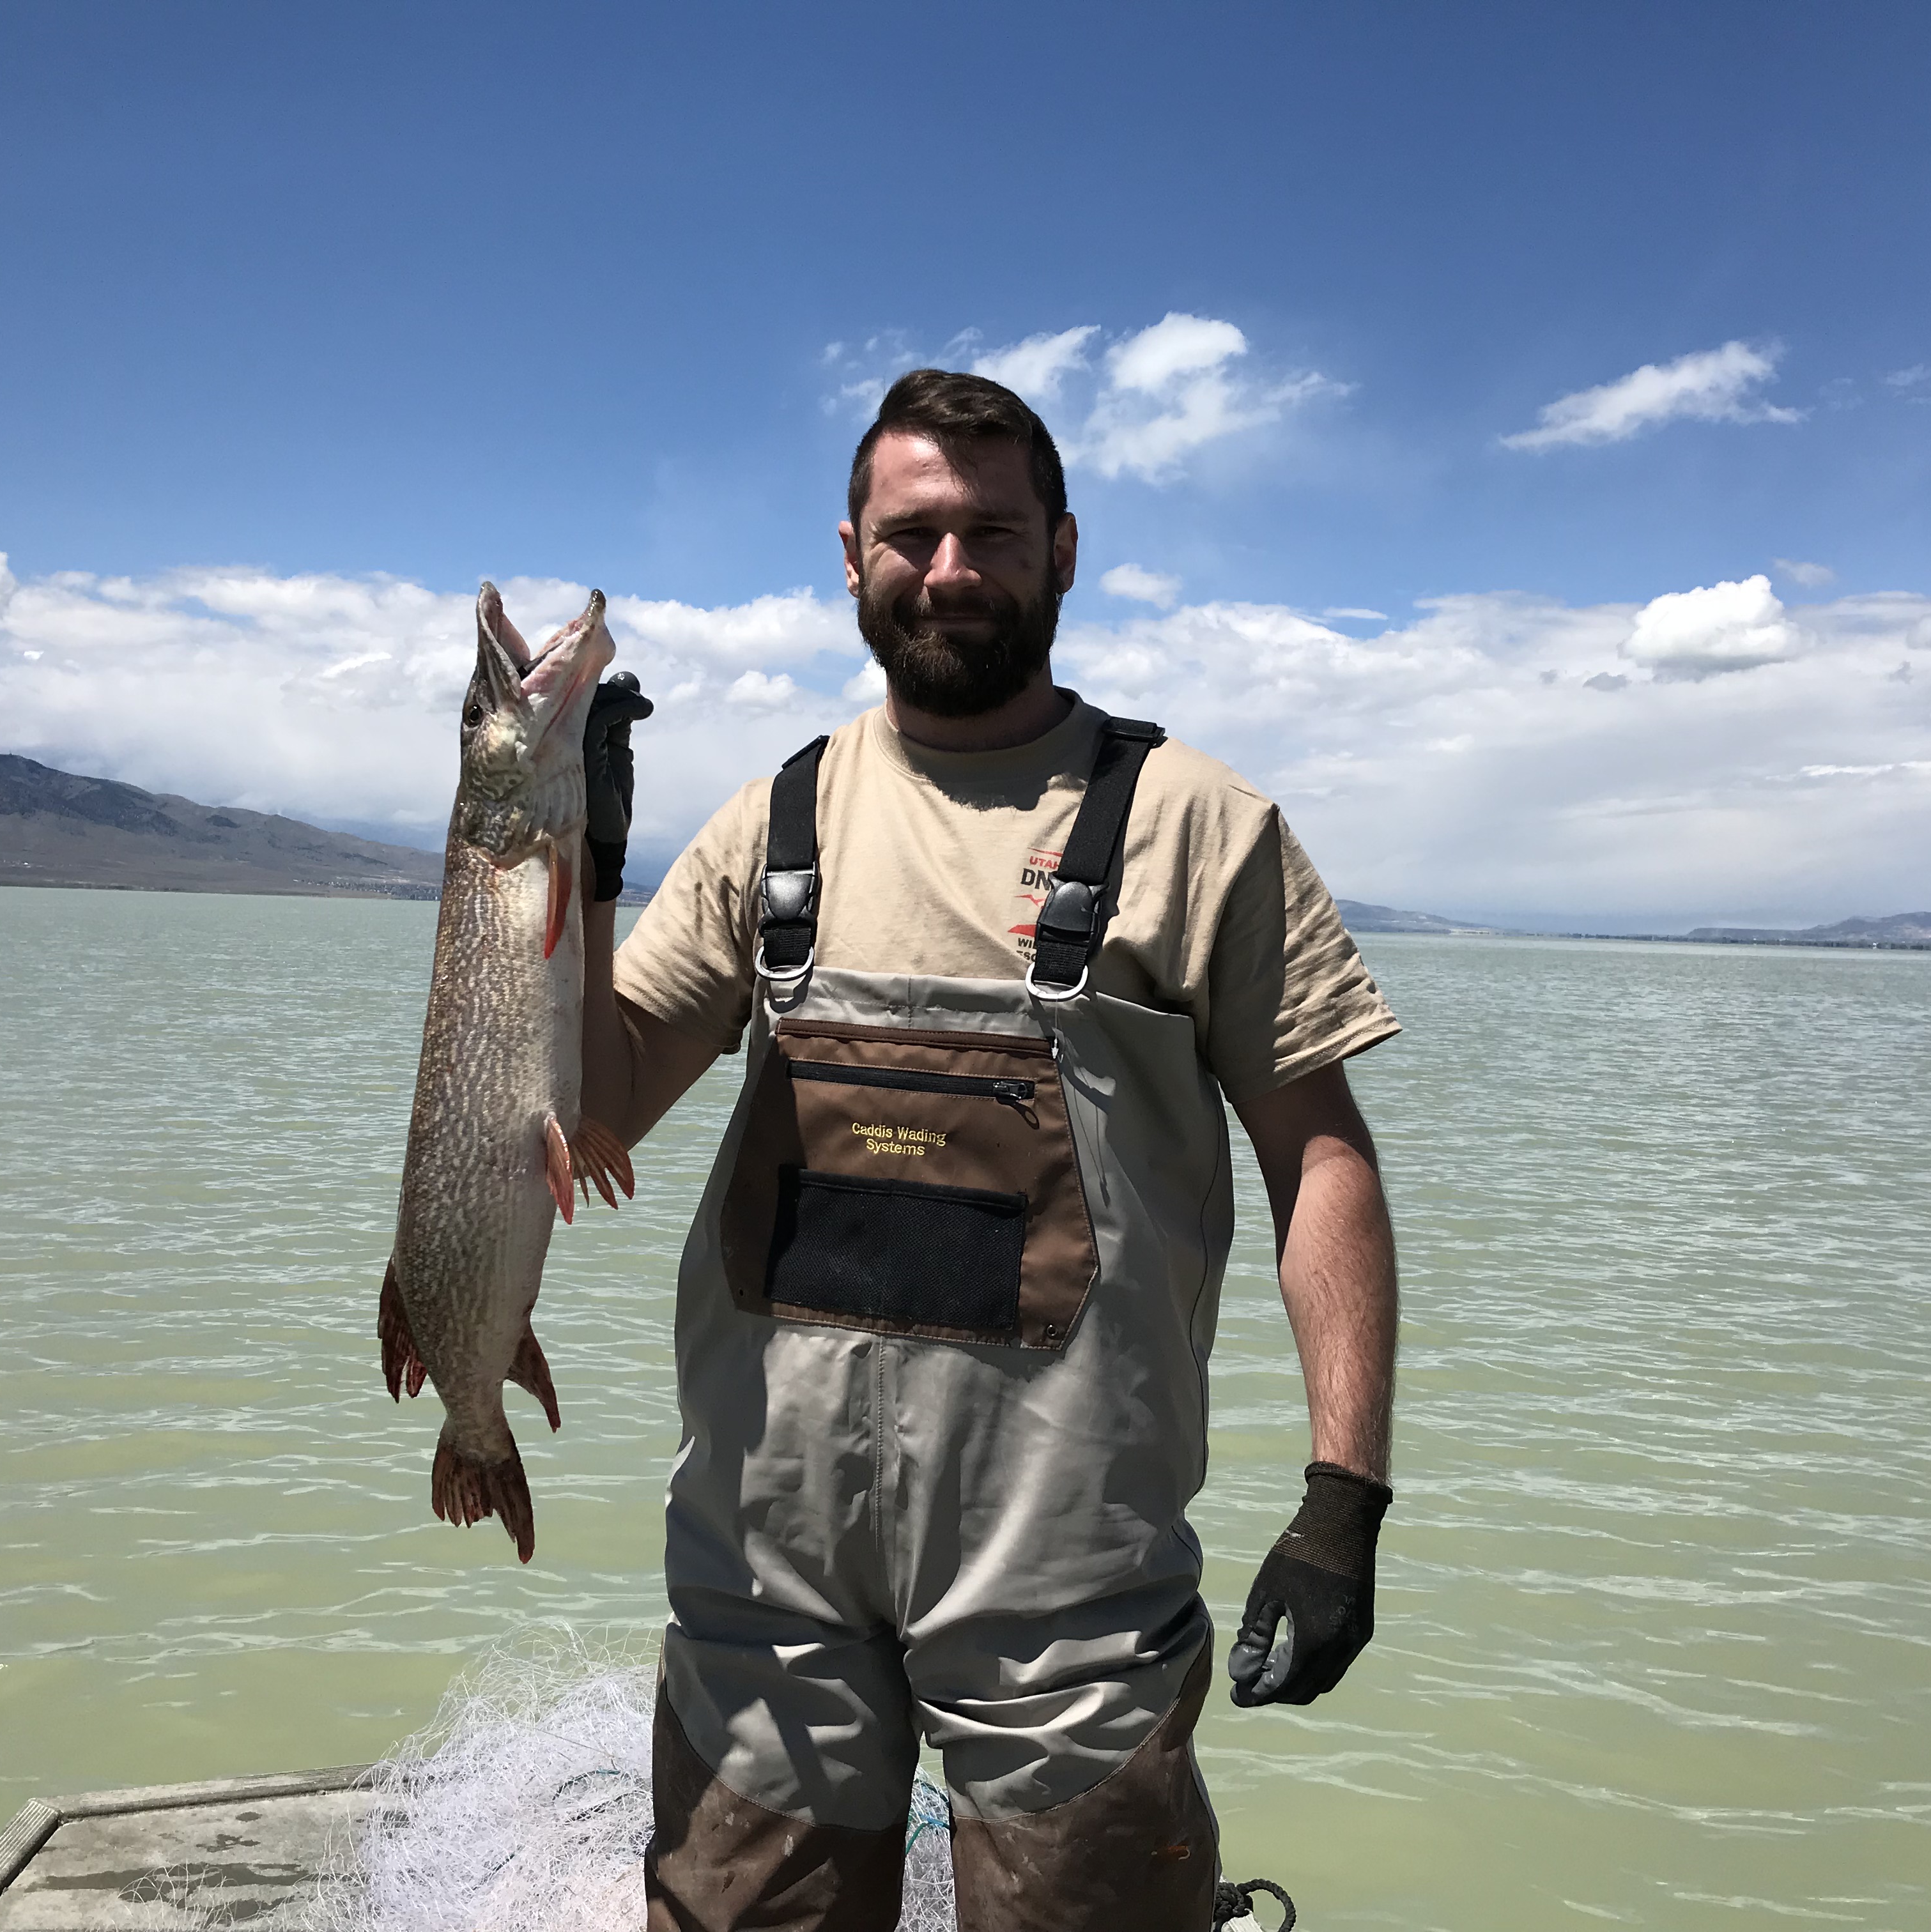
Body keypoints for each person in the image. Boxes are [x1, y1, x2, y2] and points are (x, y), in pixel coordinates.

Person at [575, 369, 1401, 1932]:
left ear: (1065, 551)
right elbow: (596, 1103)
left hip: (1069, 1600)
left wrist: (1345, 1494)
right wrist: (573, 867)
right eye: (914, 533)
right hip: (771, 1586)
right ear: (851, 555)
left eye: (992, 532)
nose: (950, 568)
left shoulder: (1196, 826)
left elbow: (1323, 1162)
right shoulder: (774, 823)